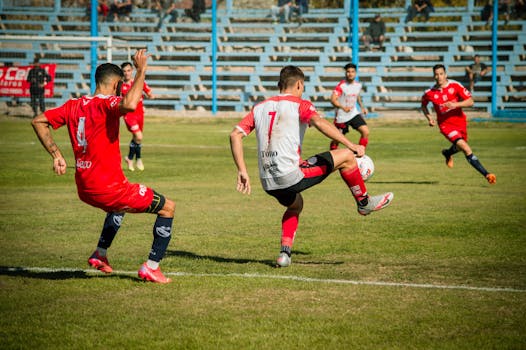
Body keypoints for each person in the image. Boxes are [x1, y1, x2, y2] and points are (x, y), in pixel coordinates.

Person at [31, 49, 175, 284]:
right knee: (167, 207)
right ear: (117, 84)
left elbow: (39, 121)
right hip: (108, 189)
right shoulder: (108, 103)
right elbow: (129, 105)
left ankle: (100, 253)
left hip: (85, 189)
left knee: (118, 207)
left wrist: (56, 155)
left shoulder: (73, 105)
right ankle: (151, 267)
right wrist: (142, 71)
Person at [229, 65, 394, 268]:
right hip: (290, 175)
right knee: (347, 157)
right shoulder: (301, 104)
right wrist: (352, 145)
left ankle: (284, 254)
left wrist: (242, 171)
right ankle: (364, 202)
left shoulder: (260, 107)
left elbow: (235, 134)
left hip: (268, 182)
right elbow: (320, 122)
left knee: (296, 204)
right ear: (299, 84)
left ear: (279, 85)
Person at [421, 64, 496, 185]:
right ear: (433, 76)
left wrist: (455, 104)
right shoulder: (429, 92)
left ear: (445, 74)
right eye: (436, 74)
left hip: (460, 122)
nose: (439, 76)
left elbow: (471, 101)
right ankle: (487, 174)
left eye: (441, 74)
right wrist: (429, 118)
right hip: (446, 125)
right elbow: (423, 105)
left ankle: (448, 153)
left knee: (461, 146)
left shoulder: (455, 85)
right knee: (466, 148)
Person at [121, 61, 154, 171]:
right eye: (124, 71)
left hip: (140, 113)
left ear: (132, 71)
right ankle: (137, 158)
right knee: (139, 136)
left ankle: (132, 158)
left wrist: (149, 95)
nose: (126, 73)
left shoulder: (138, 82)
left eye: (128, 71)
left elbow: (149, 92)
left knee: (137, 139)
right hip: (129, 115)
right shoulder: (120, 86)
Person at [329, 63, 369, 151]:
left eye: (352, 71)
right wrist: (343, 107)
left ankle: (361, 153)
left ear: (355, 73)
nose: (350, 73)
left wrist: (362, 107)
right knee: (337, 139)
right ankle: (333, 157)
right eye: (348, 71)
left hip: (353, 114)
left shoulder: (358, 85)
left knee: (365, 131)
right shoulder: (341, 86)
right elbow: (333, 99)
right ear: (345, 73)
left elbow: (357, 96)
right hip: (341, 117)